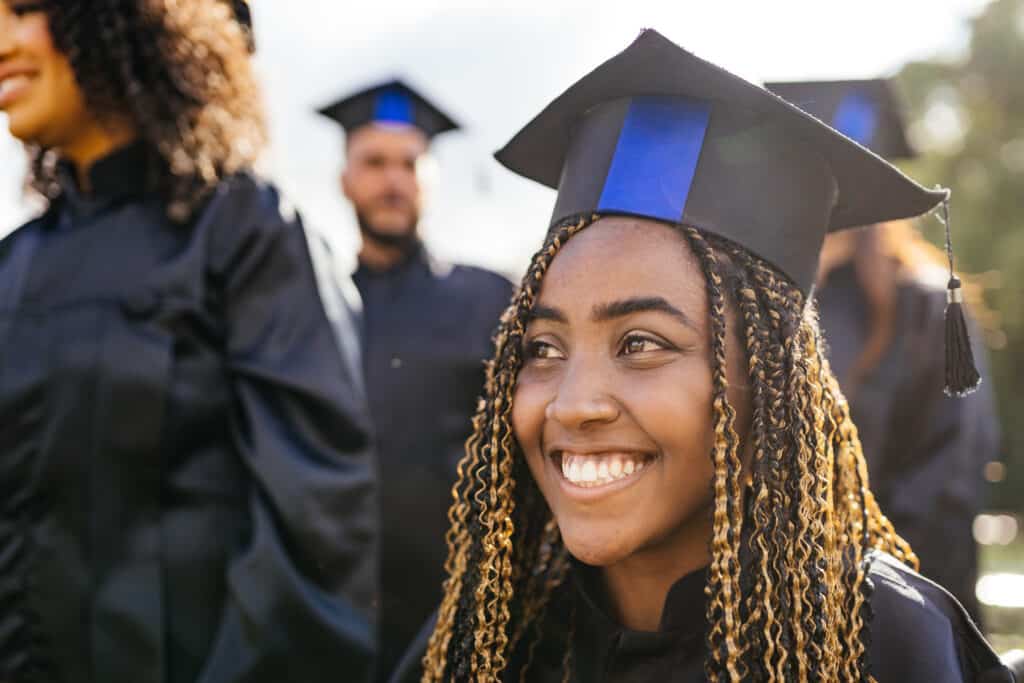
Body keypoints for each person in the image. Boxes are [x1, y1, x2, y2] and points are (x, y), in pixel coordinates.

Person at [393, 30, 1011, 683]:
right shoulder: (487, 637)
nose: (572, 401)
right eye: (542, 348)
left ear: (773, 387)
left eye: (641, 343)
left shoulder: (886, 648)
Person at [0, 1, 377, 681]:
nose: (2, 40)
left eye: (26, 9)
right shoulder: (13, 266)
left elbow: (312, 536)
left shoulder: (247, 233)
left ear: (119, 20)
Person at [766, 78, 1000, 621]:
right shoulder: (751, 302)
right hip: (765, 609)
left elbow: (948, 483)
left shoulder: (924, 304)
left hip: (896, 605)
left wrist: (844, 587)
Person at [317, 79, 514, 678]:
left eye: (409, 162)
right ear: (345, 178)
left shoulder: (490, 300)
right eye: (373, 162)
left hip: (466, 618)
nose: (392, 180)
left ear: (431, 177)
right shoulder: (315, 310)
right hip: (336, 616)